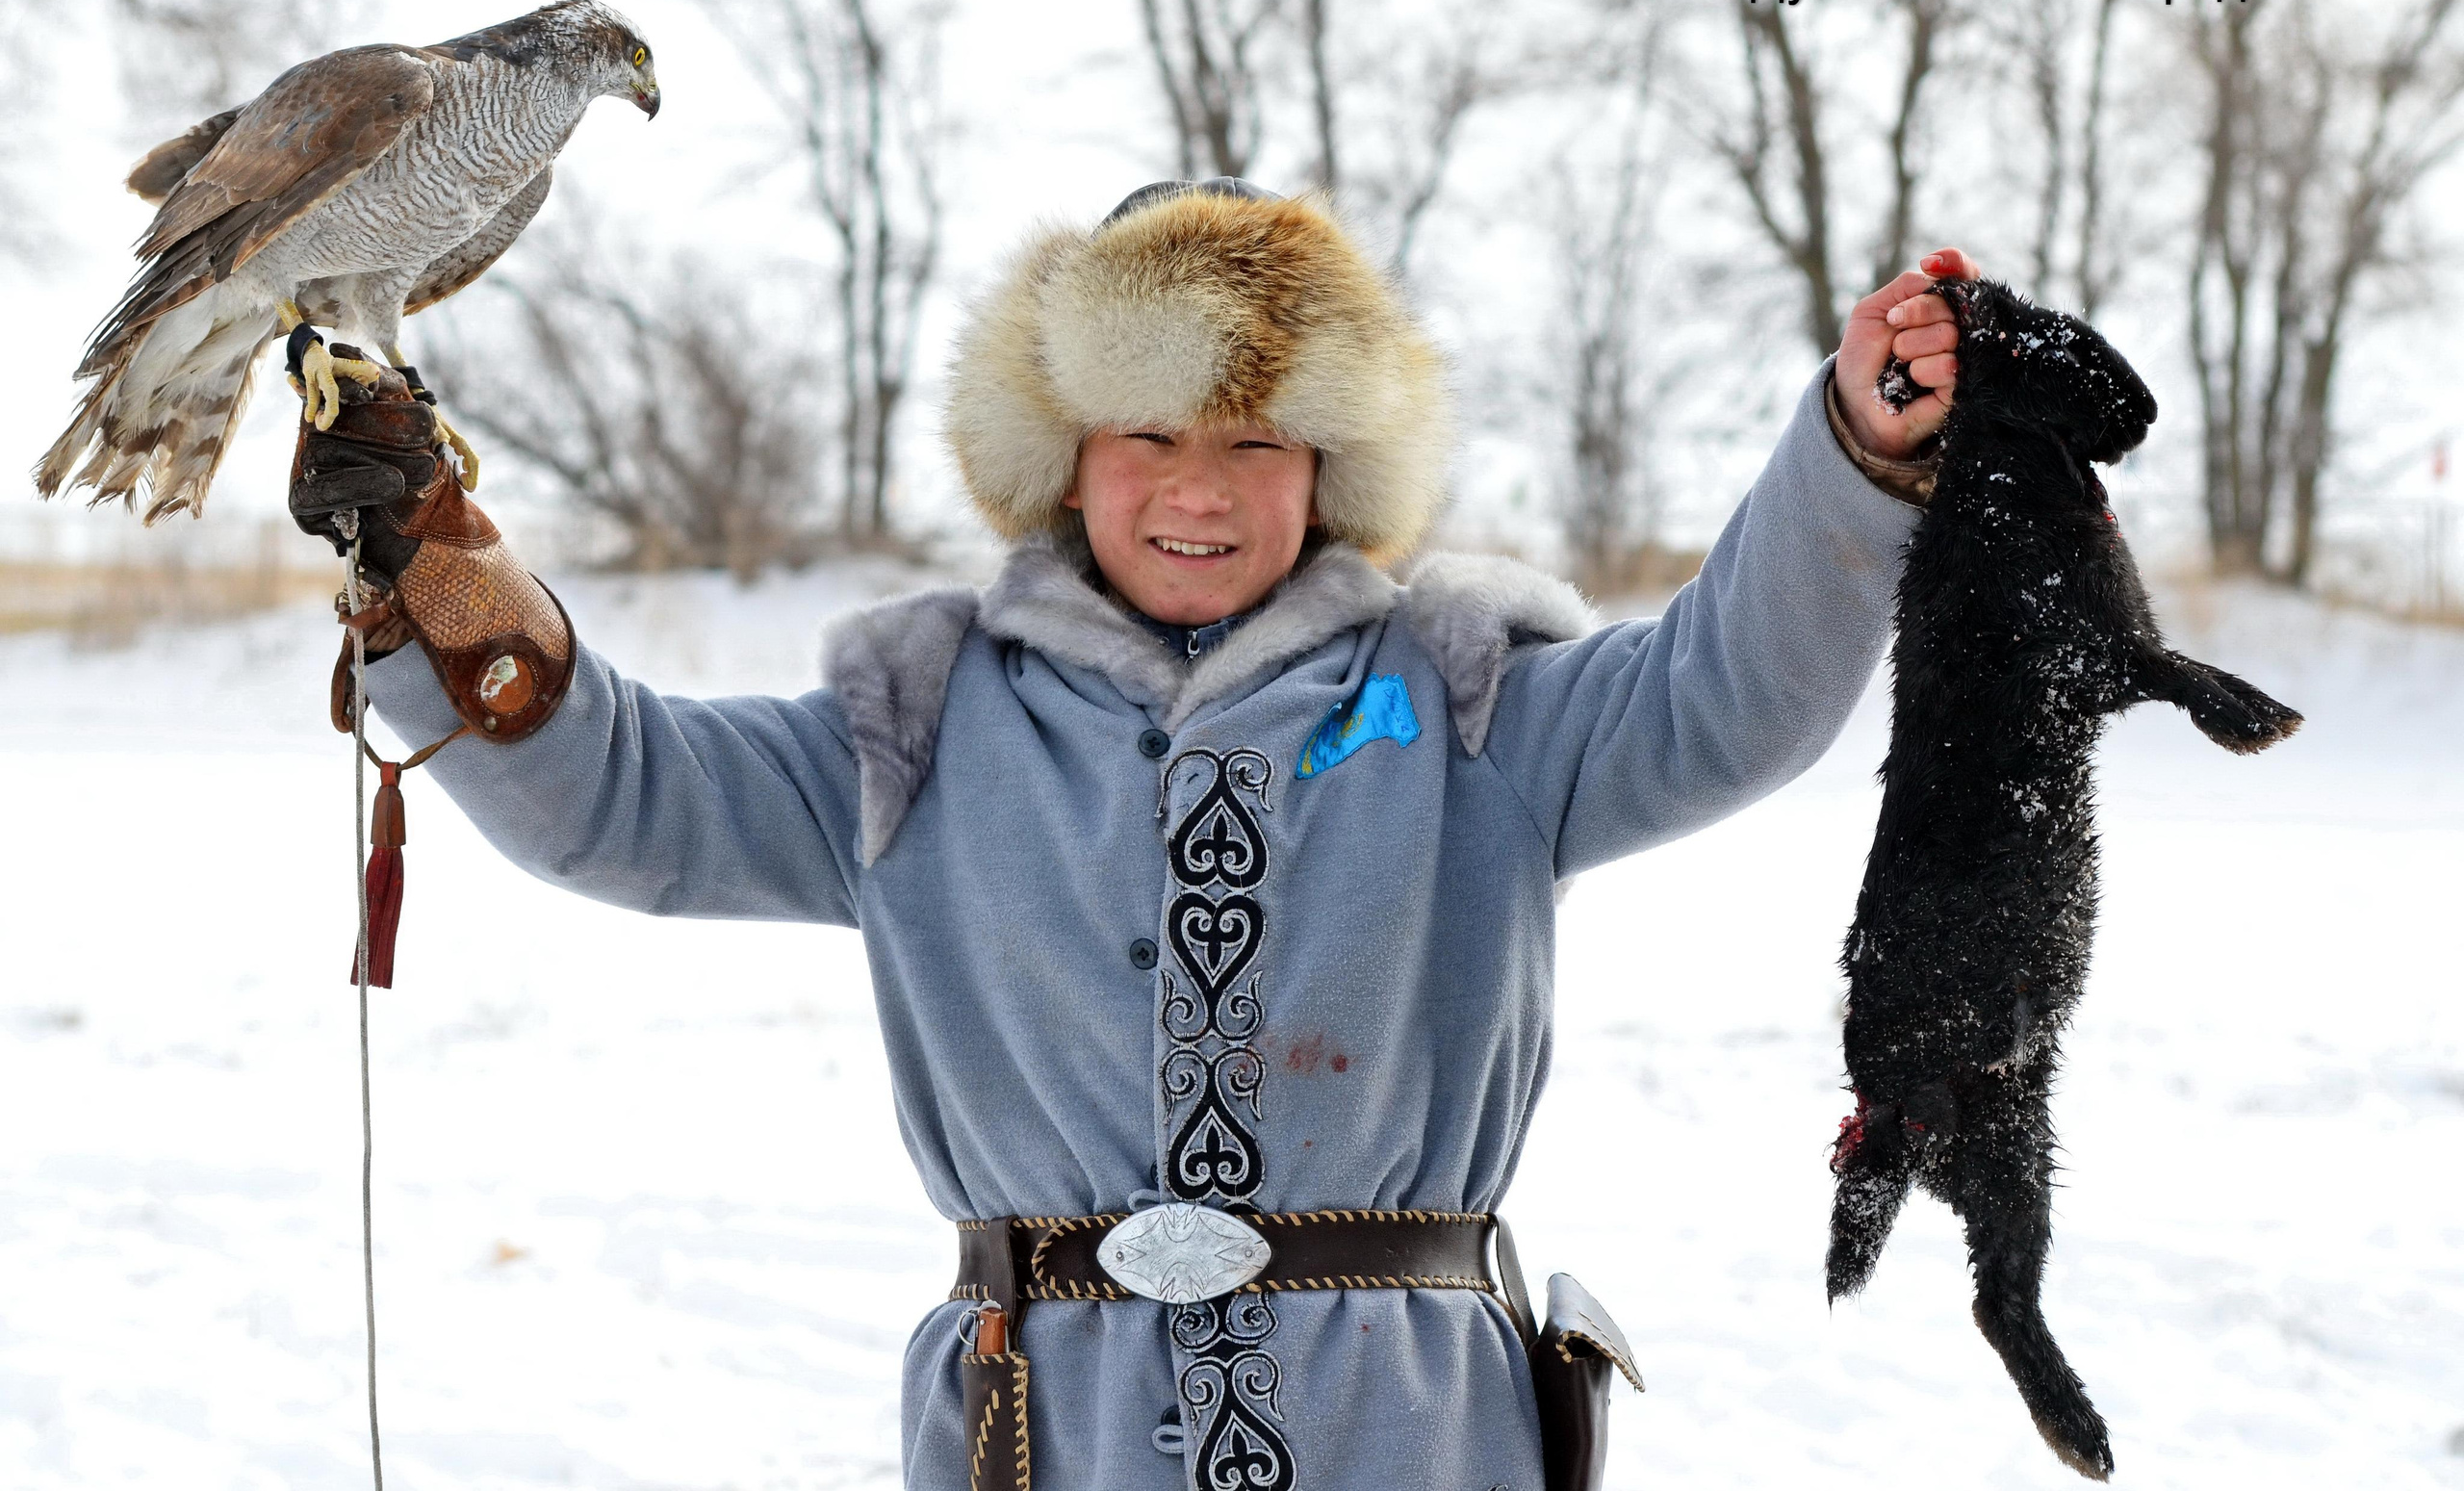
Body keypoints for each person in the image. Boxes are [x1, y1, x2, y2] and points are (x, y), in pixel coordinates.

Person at [288, 177, 1976, 1491]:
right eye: (1150, 434)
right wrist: (439, 581)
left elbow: (1728, 692)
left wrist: (1855, 453)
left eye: (1259, 441)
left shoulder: (1473, 697)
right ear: (1064, 456)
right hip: (1048, 1433)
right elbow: (629, 801)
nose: (1203, 488)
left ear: (1329, 467)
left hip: (1409, 1431)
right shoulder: (921, 720)